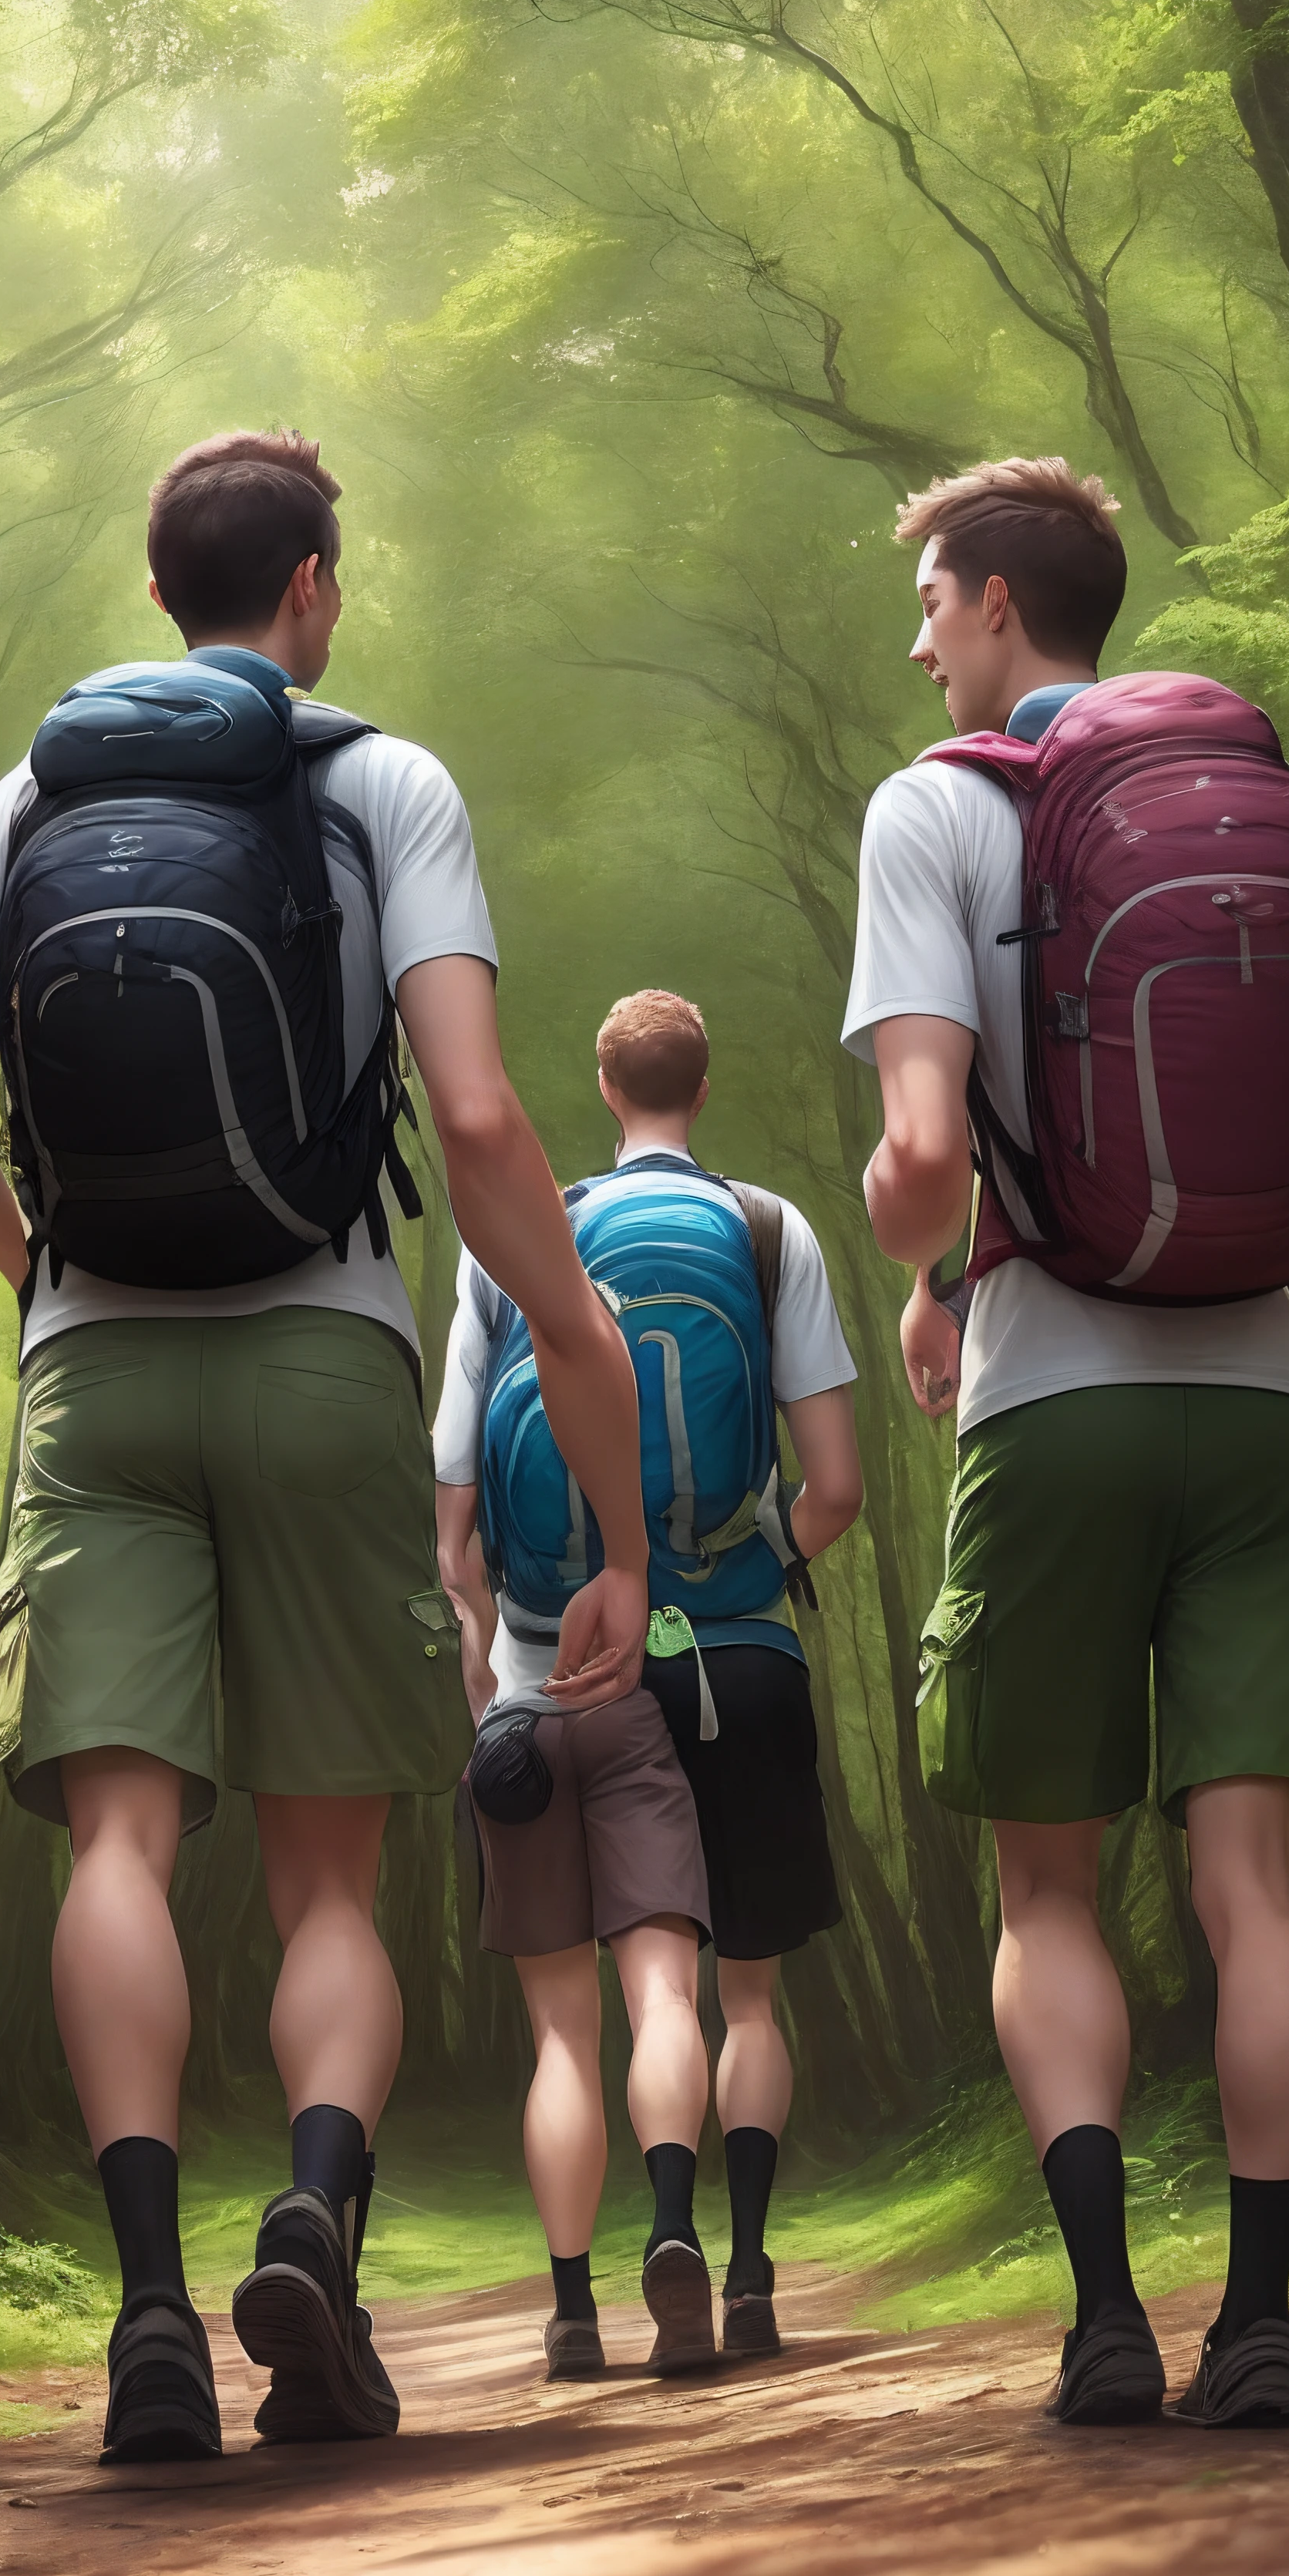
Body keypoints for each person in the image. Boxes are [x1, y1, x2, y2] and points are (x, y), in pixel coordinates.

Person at [0, 429, 648, 2464]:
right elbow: (486, 1120)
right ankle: (314, 2222)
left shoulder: (33, 796)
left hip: (100, 1371)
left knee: (124, 1839)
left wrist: (44, 1273)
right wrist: (593, 1439)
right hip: (327, 1347)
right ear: (315, 589)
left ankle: (150, 2312)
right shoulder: (377, 779)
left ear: (164, 597)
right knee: (335, 1872)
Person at [844, 457, 1289, 2433]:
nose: (916, 639)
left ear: (990, 604)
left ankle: (1102, 2325)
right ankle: (1261, 2323)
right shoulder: (1244, 789)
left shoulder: (942, 807)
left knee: (1046, 1892)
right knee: (1251, 1884)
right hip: (1265, 1392)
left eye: (926, 602)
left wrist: (930, 1253)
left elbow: (913, 1156)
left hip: (1053, 1392)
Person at [434, 989, 864, 2376]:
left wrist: (499, 1656)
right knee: (740, 1999)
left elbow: (453, 1497)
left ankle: (572, 2316)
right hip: (737, 1657)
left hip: (562, 1671)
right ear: (702, 1080)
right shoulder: (766, 1229)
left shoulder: (516, 1241)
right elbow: (838, 1489)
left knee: (572, 2022)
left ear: (606, 1088)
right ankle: (736, 2270)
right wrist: (738, 1567)